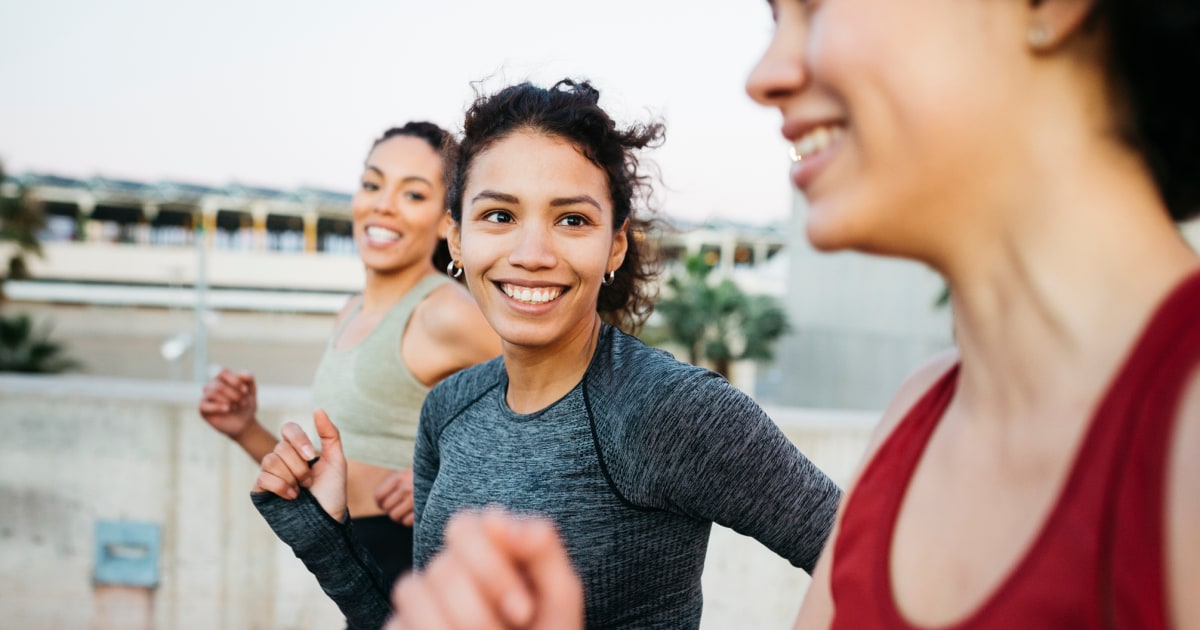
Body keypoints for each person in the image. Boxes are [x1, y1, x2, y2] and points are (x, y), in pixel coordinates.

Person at [383, 0, 1200, 628]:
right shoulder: (918, 421)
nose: (765, 73)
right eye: (778, 16)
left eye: (818, 6)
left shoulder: (1184, 435)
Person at [249, 79, 843, 629]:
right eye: (500, 215)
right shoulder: (449, 408)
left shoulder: (669, 408)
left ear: (615, 246)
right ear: (458, 238)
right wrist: (327, 536)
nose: (532, 252)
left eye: (572, 219)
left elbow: (862, 561)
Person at [198, 121, 501, 588]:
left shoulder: (445, 312)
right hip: (359, 564)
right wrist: (246, 429)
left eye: (413, 194)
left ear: (447, 221)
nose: (382, 204)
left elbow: (556, 404)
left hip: (422, 569)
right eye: (372, 184)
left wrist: (451, 486)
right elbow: (330, 476)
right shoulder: (350, 311)